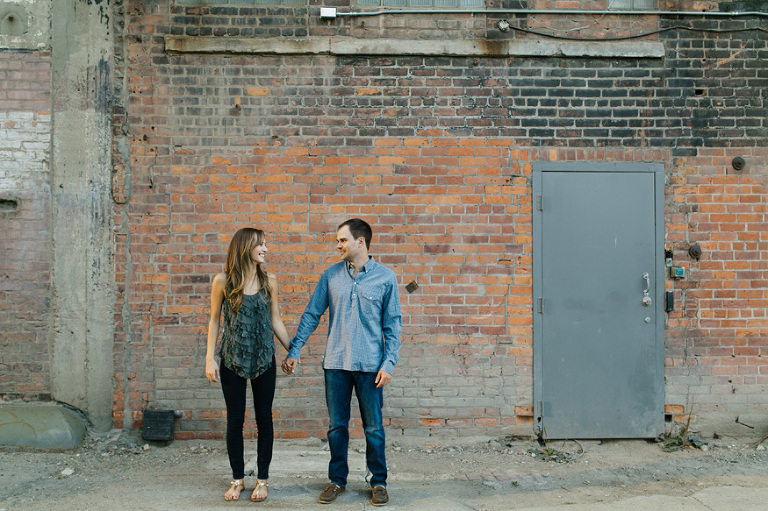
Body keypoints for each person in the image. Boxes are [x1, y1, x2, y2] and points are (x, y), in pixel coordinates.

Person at [282, 218, 402, 507]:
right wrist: (295, 349)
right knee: (337, 427)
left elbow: (393, 326)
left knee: (373, 427)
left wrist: (389, 364)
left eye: (342, 240)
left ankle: (379, 482)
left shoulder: (386, 278)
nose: (338, 245)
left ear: (360, 241)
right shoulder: (331, 276)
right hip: (336, 364)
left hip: (371, 367)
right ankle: (337, 480)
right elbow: (312, 314)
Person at [205, 227, 291, 502]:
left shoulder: (270, 282)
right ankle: (237, 479)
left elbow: (276, 320)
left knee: (264, 419)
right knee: (235, 421)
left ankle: (262, 479)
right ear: (245, 248)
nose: (265, 249)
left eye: (265, 244)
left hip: (264, 358)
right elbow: (215, 320)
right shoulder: (222, 281)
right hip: (232, 359)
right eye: (260, 245)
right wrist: (210, 358)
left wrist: (293, 350)